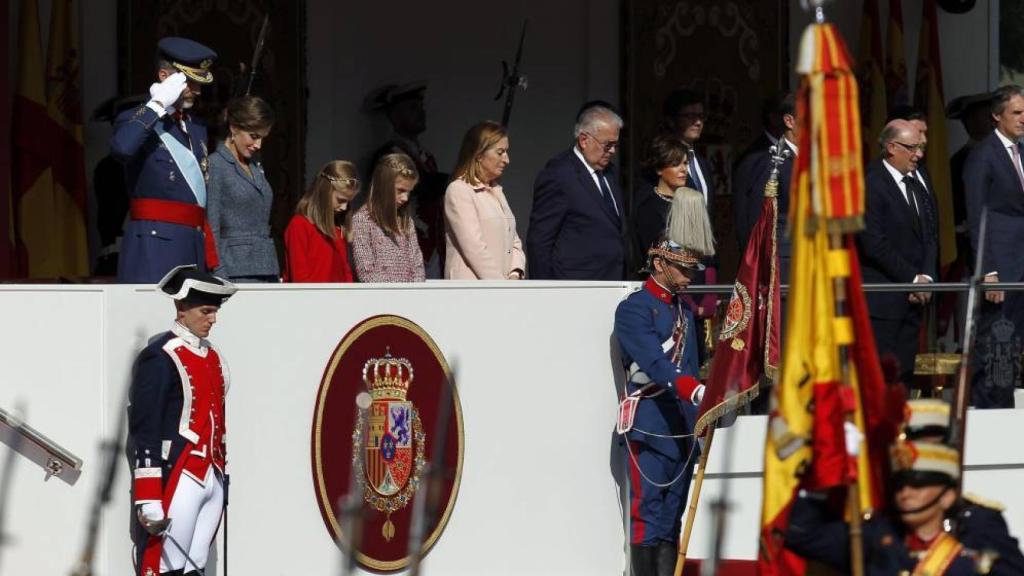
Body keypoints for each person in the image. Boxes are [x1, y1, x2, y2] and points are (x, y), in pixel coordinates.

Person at [786, 399, 1024, 575]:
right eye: (900, 485)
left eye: (930, 439)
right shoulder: (879, 531)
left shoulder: (976, 523)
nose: (906, 493)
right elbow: (801, 533)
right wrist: (827, 468)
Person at [127, 265, 237, 576]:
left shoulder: (213, 356)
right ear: (181, 307)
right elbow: (144, 428)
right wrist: (149, 496)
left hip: (211, 474)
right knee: (167, 565)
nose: (212, 319)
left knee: (197, 564)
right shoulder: (160, 356)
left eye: (214, 311)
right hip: (181, 472)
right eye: (205, 310)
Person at [614, 228, 711, 576]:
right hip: (651, 424)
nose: (689, 276)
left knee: (673, 517)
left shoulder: (683, 309)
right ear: (659, 263)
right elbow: (655, 364)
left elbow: (691, 363)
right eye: (682, 269)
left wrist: (704, 405)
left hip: (682, 426)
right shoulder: (634, 309)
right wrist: (694, 391)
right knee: (648, 515)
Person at [110, 37, 219, 283]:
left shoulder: (196, 127)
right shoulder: (135, 119)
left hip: (192, 242)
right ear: (164, 76)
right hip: (154, 245)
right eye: (190, 82)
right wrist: (156, 104)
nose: (198, 91)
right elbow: (122, 148)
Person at [857, 120, 938, 385]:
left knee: (904, 379)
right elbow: (874, 244)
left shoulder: (917, 181)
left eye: (920, 147)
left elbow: (930, 234)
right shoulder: (871, 184)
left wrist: (926, 276)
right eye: (912, 148)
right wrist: (912, 279)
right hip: (884, 302)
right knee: (881, 380)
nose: (919, 154)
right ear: (891, 147)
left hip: (915, 300)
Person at [963, 85, 1024, 408]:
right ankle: (991, 414)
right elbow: (977, 217)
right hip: (999, 268)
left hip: (1020, 267)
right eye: (1016, 112)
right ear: (997, 117)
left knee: (1012, 345)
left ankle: (1005, 409)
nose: (1023, 119)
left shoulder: (1021, 152)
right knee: (996, 343)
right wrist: (988, 270)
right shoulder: (982, 156)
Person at [527, 104, 626, 280]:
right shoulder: (559, 174)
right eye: (607, 144)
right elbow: (540, 241)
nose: (612, 151)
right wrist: (544, 291)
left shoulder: (610, 173)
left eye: (616, 145)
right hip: (575, 285)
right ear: (584, 140)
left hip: (612, 281)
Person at [369, 82, 448, 278]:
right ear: (394, 115)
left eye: (421, 107)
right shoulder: (389, 155)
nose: (421, 113)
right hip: (406, 245)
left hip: (432, 246)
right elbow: (422, 188)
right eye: (413, 108)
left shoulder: (425, 156)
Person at [206, 95, 279, 282]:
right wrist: (219, 273)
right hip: (233, 272)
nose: (258, 145)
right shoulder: (216, 165)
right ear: (234, 128)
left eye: (262, 138)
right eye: (254, 136)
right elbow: (211, 225)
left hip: (267, 268)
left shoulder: (255, 165)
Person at [443, 121, 525, 280]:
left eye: (506, 152)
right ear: (479, 154)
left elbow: (514, 242)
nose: (506, 160)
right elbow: (474, 248)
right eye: (500, 152)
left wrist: (515, 273)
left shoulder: (497, 192)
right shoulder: (459, 190)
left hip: (501, 290)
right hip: (471, 290)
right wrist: (499, 285)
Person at [351, 153, 425, 282]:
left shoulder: (406, 222)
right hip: (380, 299)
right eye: (400, 190)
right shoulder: (362, 220)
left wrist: (415, 293)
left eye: (409, 192)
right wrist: (390, 296)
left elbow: (417, 265)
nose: (405, 198)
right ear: (384, 186)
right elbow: (366, 271)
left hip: (410, 298)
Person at [283, 161, 359, 282]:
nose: (344, 207)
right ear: (324, 193)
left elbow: (345, 272)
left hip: (337, 299)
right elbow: (300, 278)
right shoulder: (299, 225)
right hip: (308, 299)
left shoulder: (338, 227)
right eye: (340, 200)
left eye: (348, 202)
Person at [632, 134, 691, 259]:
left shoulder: (687, 202)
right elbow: (653, 254)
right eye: (676, 164)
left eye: (685, 163)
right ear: (659, 168)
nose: (683, 169)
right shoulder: (649, 207)